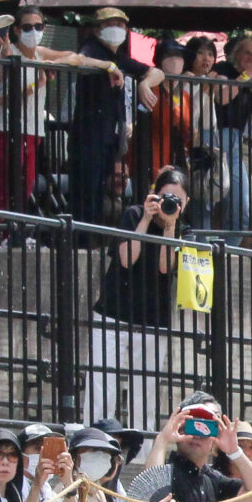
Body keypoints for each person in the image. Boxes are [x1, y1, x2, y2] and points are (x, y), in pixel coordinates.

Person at [88, 166, 189, 425]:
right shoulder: (134, 214)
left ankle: (144, 455)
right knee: (102, 385)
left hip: (153, 320)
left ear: (186, 202)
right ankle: (93, 446)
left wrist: (170, 227)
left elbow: (165, 267)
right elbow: (126, 259)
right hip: (113, 312)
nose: (170, 203)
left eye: (176, 199)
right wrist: (146, 218)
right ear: (154, 194)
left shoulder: (182, 231)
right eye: (165, 196)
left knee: (145, 393)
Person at [67, 6, 162, 221]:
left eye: (120, 25)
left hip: (110, 137)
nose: (116, 29)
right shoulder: (92, 48)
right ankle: (80, 241)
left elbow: (157, 72)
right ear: (97, 29)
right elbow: (76, 60)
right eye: (110, 25)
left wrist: (144, 85)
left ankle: (93, 239)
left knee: (102, 191)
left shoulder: (120, 57)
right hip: (88, 136)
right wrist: (107, 66)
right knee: (86, 193)